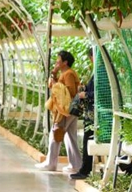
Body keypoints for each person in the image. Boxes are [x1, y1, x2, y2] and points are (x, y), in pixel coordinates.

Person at [37, 50, 82, 172]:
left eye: (58, 60)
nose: (56, 62)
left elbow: (70, 91)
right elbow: (52, 85)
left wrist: (56, 83)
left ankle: (51, 163)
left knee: (56, 133)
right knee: (70, 136)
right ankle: (76, 165)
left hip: (66, 110)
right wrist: (54, 73)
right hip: (69, 110)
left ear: (65, 62)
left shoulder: (68, 74)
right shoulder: (64, 73)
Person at [71, 48, 95, 180]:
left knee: (89, 139)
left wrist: (85, 94)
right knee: (92, 140)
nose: (91, 60)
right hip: (93, 114)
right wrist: (85, 89)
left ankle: (85, 170)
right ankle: (85, 169)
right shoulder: (99, 71)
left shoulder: (102, 72)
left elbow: (101, 93)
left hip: (95, 115)